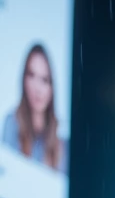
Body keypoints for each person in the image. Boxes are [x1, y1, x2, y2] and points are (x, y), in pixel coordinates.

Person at [2, 45, 67, 174]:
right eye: (32, 75)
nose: (38, 88)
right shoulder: (11, 123)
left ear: (52, 87)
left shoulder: (61, 139)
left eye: (44, 79)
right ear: (24, 80)